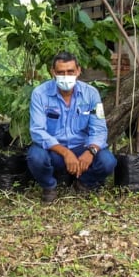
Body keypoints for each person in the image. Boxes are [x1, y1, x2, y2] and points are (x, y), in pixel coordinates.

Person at [26, 51, 116, 203]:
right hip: (54, 150)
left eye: (70, 71)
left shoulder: (91, 94)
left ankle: (84, 183)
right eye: (61, 72)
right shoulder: (40, 94)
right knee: (35, 157)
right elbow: (37, 131)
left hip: (83, 148)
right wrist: (66, 153)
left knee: (108, 161)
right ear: (52, 72)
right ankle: (49, 186)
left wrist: (91, 151)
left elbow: (99, 129)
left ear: (78, 71)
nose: (66, 76)